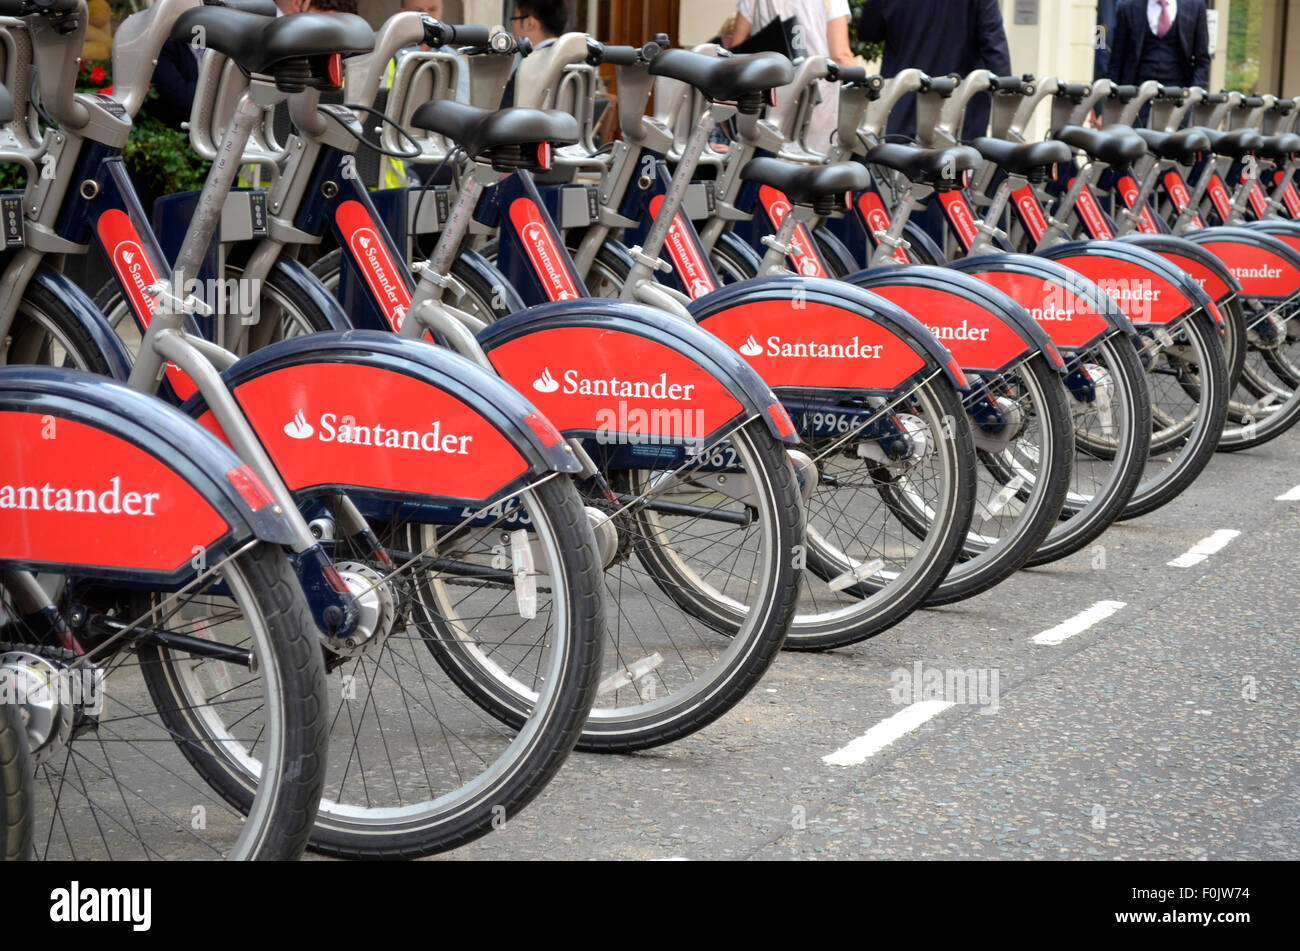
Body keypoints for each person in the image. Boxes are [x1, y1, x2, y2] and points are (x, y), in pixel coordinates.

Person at [857, 0, 1010, 143]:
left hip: (901, 102)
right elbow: (994, 46)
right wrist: (1006, 98)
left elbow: (868, 31)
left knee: (896, 167)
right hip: (956, 106)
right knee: (950, 167)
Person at [728, 0, 854, 154]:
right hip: (816, 98)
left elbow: (736, 50)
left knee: (770, 160)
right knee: (814, 162)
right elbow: (840, 56)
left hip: (770, 94)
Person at [1107, 0, 1210, 90]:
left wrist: (1193, 97)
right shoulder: (1127, 8)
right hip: (1135, 97)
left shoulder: (1196, 7)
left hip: (1180, 98)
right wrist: (1116, 99)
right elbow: (1116, 60)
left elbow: (1202, 60)